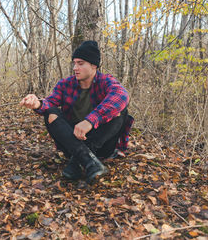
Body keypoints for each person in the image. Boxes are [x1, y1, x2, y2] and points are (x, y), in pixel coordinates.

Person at [20, 40, 134, 183]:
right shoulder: (65, 84)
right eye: (74, 63)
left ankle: (79, 161)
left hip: (102, 146)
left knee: (121, 110)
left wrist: (90, 121)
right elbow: (50, 103)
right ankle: (86, 160)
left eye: (80, 63)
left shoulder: (105, 81)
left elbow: (122, 95)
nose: (75, 68)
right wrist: (37, 103)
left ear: (93, 65)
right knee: (51, 112)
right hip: (71, 143)